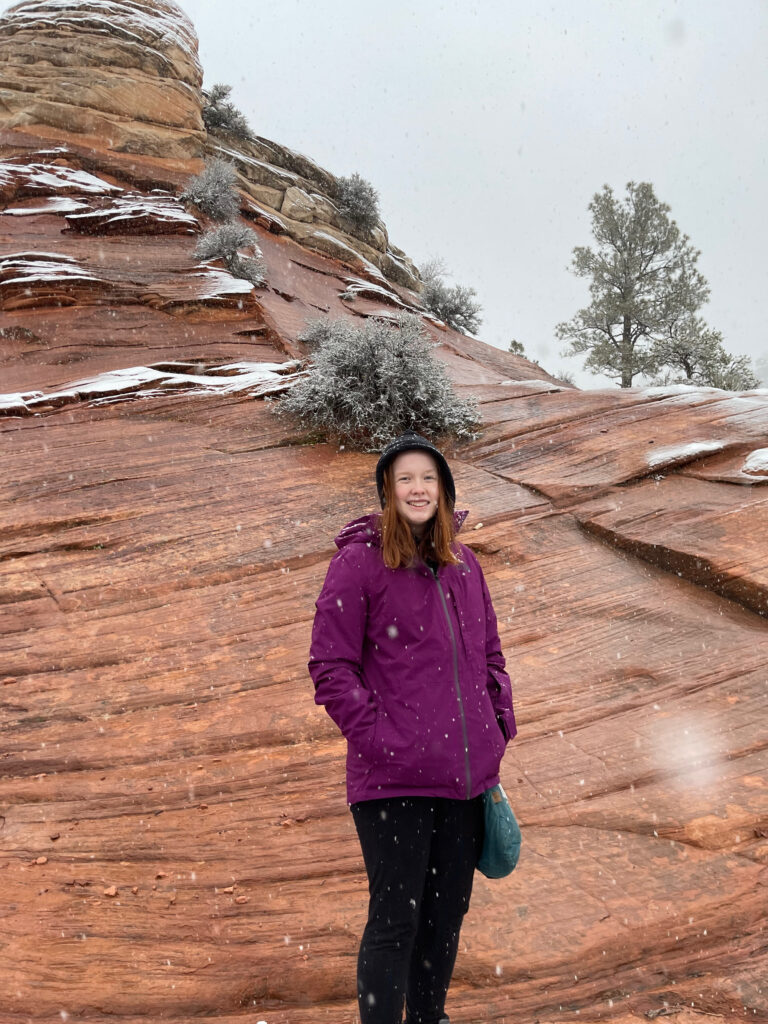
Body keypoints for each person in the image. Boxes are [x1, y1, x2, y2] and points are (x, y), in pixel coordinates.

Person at [309, 430, 517, 1024]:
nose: (418, 488)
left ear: (445, 491)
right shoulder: (359, 563)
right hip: (392, 783)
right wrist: (383, 740)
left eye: (429, 477)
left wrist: (496, 721)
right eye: (405, 478)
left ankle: (431, 1017)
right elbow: (330, 666)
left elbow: (489, 652)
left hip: (465, 779)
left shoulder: (464, 564)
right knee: (395, 920)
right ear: (387, 491)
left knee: (445, 915)